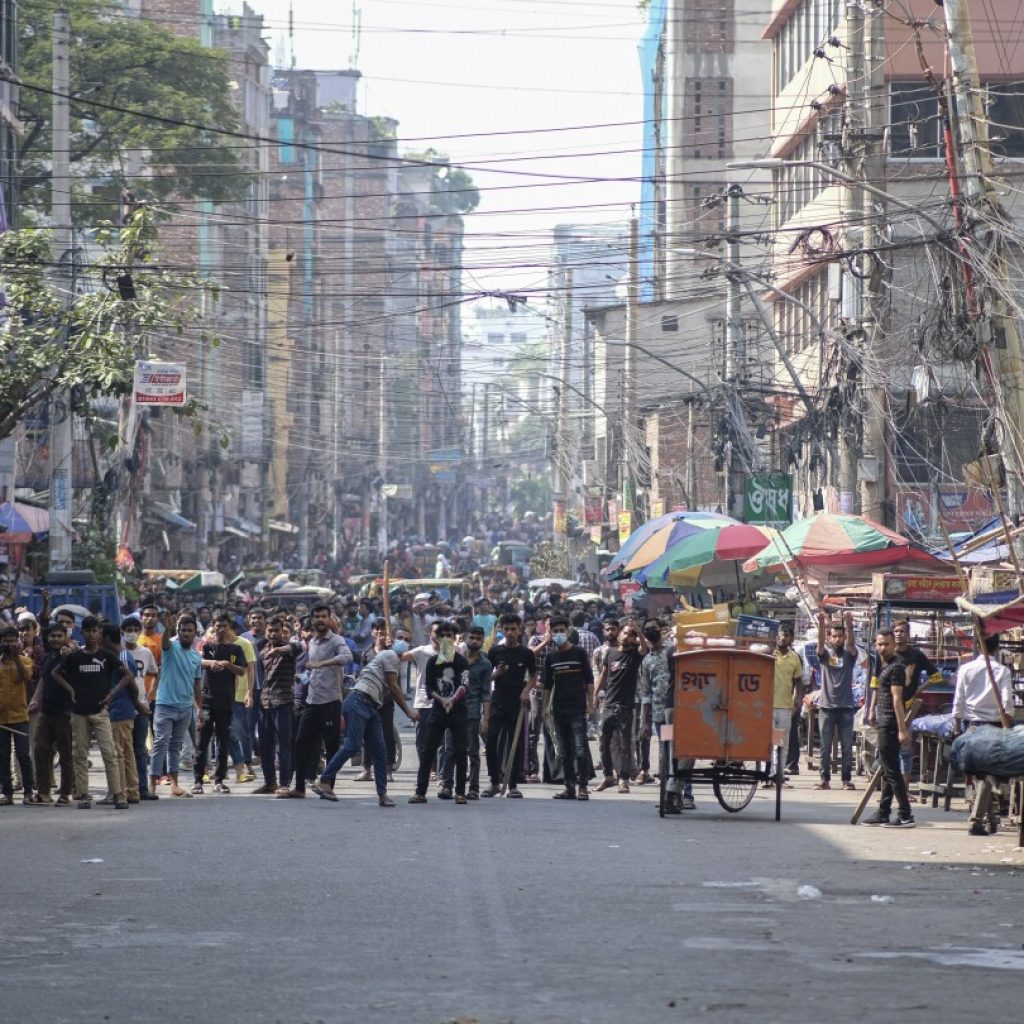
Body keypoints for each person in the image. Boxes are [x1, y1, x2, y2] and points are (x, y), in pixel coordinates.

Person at [312, 633, 418, 806]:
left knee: (380, 750)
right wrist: (408, 711)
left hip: (371, 706)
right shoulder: (389, 655)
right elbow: (393, 686)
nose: (404, 643)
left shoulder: (394, 663)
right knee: (352, 745)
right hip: (359, 701)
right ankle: (324, 780)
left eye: (407, 640)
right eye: (401, 639)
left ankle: (382, 794)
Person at [51, 616, 135, 809]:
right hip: (79, 712)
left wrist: (112, 694)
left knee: (110, 753)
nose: (91, 634)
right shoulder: (75, 657)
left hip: (100, 712)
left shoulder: (107, 656)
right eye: (88, 631)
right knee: (80, 755)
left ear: (99, 633)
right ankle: (83, 795)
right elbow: (55, 673)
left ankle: (118, 795)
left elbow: (127, 675)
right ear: (83, 633)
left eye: (95, 631)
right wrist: (70, 690)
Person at [281, 603, 351, 799]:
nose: (320, 620)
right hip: (312, 701)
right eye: (317, 617)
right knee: (301, 743)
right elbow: (297, 647)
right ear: (312, 620)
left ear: (329, 619)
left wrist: (322, 664)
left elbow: (347, 656)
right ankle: (300, 787)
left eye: (323, 616)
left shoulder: (337, 640)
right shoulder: (311, 642)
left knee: (331, 747)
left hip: (330, 701)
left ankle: (328, 786)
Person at [953, 632, 1014, 836]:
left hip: (972, 726)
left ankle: (990, 818)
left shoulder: (965, 669)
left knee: (983, 776)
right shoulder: (1002, 671)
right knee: (986, 776)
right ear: (997, 647)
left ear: (978, 645)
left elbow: (958, 702)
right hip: (993, 727)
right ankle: (978, 820)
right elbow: (1007, 705)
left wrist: (956, 726)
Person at [409, 621, 471, 804]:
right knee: (428, 751)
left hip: (458, 712)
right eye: (442, 636)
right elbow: (429, 687)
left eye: (449, 636)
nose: (445, 639)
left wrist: (452, 700)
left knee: (460, 752)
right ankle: (420, 792)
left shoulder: (461, 661)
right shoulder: (432, 662)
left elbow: (465, 684)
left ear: (455, 639)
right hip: (437, 711)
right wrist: (442, 699)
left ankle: (460, 792)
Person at [862, 629, 915, 828]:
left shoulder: (896, 668)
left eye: (886, 644)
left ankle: (905, 814)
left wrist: (901, 729)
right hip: (884, 722)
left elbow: (896, 699)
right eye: (879, 644)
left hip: (891, 724)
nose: (882, 648)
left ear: (894, 645)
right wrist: (873, 711)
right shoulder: (884, 667)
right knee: (887, 769)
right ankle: (883, 812)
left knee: (891, 771)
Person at [149, 612, 203, 800]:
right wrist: (167, 628)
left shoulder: (196, 657)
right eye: (183, 630)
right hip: (165, 705)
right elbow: (164, 643)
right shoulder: (171, 647)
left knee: (175, 747)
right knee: (160, 744)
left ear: (195, 633)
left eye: (190, 630)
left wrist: (199, 708)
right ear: (178, 631)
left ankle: (175, 785)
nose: (186, 633)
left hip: (186, 707)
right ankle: (152, 786)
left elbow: (197, 684)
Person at [193, 613, 248, 795]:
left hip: (226, 702)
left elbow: (241, 671)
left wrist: (227, 665)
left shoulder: (235, 649)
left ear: (230, 628)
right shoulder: (206, 646)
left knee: (223, 742)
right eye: (218, 625)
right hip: (207, 702)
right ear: (213, 627)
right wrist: (211, 663)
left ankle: (219, 780)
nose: (222, 629)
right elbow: (196, 661)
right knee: (202, 743)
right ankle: (198, 780)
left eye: (225, 626)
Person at [481, 613, 535, 798]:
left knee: (516, 744)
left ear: (519, 630)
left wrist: (526, 690)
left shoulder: (526, 653)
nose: (510, 632)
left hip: (517, 703)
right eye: (507, 629)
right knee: (491, 742)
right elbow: (486, 677)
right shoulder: (495, 651)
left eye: (514, 629)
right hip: (498, 701)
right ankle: (494, 782)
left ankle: (512, 785)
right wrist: (498, 673)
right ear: (501, 630)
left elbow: (534, 676)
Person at [541, 616, 595, 801]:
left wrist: (591, 703)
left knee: (580, 750)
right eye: (554, 631)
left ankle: (583, 787)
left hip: (577, 709)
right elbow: (547, 685)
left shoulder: (579, 653)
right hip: (558, 710)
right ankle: (569, 787)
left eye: (561, 630)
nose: (558, 634)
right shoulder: (550, 657)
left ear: (567, 631)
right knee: (563, 752)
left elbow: (589, 679)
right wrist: (544, 709)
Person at [439, 623, 490, 799]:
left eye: (478, 638)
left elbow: (486, 693)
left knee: (472, 752)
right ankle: (447, 786)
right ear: (466, 638)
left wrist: (486, 719)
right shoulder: (455, 659)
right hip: (453, 711)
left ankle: (473, 788)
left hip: (473, 713)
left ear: (483, 640)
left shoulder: (485, 664)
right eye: (472, 637)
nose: (475, 641)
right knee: (450, 750)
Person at [596, 622, 647, 794]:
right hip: (609, 704)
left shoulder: (635, 655)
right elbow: (603, 676)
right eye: (625, 633)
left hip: (626, 707)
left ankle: (623, 780)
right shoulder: (610, 654)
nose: (628, 636)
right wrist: (594, 696)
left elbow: (644, 648)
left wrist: (639, 631)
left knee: (626, 745)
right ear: (619, 635)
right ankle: (608, 776)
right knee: (604, 744)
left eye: (631, 634)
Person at [814, 610, 861, 791]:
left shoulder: (849, 655)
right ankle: (824, 779)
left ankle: (846, 780)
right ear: (830, 637)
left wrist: (849, 624)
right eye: (834, 636)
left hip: (846, 708)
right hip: (826, 707)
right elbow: (819, 644)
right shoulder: (825, 655)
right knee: (825, 748)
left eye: (840, 636)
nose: (838, 639)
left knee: (847, 747)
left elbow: (851, 644)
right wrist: (821, 624)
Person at [28, 623, 75, 804]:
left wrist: (70, 656)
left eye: (59, 636)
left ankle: (64, 794)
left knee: (65, 754)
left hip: (65, 712)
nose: (56, 639)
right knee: (40, 750)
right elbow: (43, 679)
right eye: (52, 636)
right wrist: (35, 699)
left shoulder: (71, 658)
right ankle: (43, 792)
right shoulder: (48, 657)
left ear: (66, 637)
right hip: (46, 712)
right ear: (48, 638)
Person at [102, 623, 148, 805]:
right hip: (124, 710)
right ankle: (132, 791)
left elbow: (132, 685)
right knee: (127, 753)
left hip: (119, 711)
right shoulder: (122, 655)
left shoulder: (121, 657)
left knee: (119, 754)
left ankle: (120, 791)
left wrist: (138, 704)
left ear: (105, 637)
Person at [254, 616, 300, 795]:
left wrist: (279, 650)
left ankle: (285, 783)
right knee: (265, 745)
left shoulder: (290, 648)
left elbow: (297, 647)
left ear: (282, 631)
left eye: (276, 630)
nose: (273, 634)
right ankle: (269, 782)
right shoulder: (262, 648)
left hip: (283, 702)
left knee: (284, 745)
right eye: (270, 630)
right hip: (264, 702)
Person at [121, 618, 159, 801]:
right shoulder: (118, 653)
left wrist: (151, 694)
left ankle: (142, 788)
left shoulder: (145, 653)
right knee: (121, 750)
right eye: (129, 629)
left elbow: (155, 672)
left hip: (142, 706)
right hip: (122, 707)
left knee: (140, 749)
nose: (133, 632)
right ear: (122, 631)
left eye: (136, 629)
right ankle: (124, 788)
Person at [0, 625, 36, 805]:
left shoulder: (25, 661)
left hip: (20, 716)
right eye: (5, 641)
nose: (8, 644)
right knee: (3, 756)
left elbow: (27, 678)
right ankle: (7, 793)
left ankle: (28, 791)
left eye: (11, 641)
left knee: (23, 755)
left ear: (17, 642)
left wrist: (16, 657)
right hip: (1, 718)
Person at [772, 623, 803, 787]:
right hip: (769, 706)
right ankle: (769, 775)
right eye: (780, 635)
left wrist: (796, 702)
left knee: (781, 744)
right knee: (771, 742)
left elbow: (798, 683)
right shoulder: (770, 654)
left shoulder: (795, 658)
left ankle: (779, 776)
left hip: (785, 708)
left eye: (786, 635)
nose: (782, 638)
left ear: (791, 638)